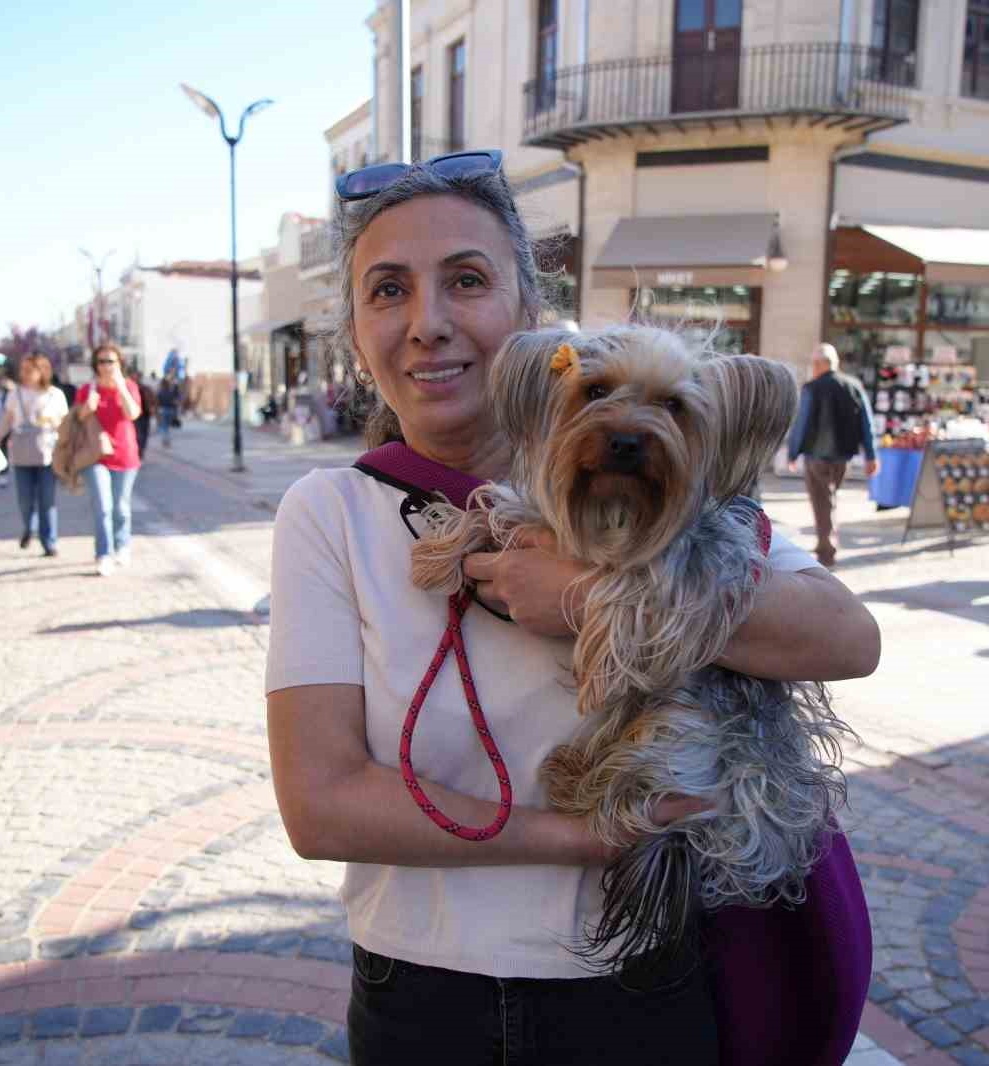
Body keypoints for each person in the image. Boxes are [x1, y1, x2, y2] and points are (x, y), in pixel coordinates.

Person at [264, 152, 881, 1065]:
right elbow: (321, 808)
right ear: (358, 334)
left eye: (465, 280)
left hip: (650, 984)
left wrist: (592, 595)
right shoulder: (332, 512)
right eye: (387, 291)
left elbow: (847, 637)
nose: (427, 323)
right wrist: (583, 837)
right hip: (420, 991)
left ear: (530, 319)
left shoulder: (663, 494)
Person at [786, 342, 879, 568]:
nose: (812, 367)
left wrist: (792, 452)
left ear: (820, 364)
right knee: (829, 499)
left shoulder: (811, 388)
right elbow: (867, 422)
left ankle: (826, 550)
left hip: (817, 456)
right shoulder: (852, 386)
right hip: (842, 457)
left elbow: (802, 421)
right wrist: (871, 455)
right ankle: (825, 544)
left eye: (813, 363)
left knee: (822, 502)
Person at [75, 344, 142, 576]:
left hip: (125, 455)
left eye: (110, 361)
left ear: (119, 364)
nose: (106, 366)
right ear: (95, 365)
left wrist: (121, 386)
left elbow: (132, 414)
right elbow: (77, 420)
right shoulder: (87, 389)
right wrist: (87, 407)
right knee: (103, 506)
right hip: (95, 456)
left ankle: (123, 545)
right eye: (101, 361)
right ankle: (104, 553)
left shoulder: (130, 386)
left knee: (121, 507)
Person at [0, 353, 68, 557]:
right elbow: (7, 418)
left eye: (29, 369)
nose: (24, 374)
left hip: (47, 453)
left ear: (41, 371)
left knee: (47, 499)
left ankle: (49, 541)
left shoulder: (55, 395)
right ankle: (29, 526)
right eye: (22, 370)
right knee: (25, 499)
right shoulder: (15, 394)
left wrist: (60, 434)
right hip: (22, 452)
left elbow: (64, 423)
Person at [133, 367, 157, 461]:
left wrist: (153, 409)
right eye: (135, 376)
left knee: (144, 434)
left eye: (138, 376)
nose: (137, 377)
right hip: (135, 416)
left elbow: (153, 400)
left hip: (145, 415)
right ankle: (138, 452)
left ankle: (141, 452)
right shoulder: (130, 388)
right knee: (138, 435)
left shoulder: (146, 388)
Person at [157, 371, 183, 450]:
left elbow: (157, 401)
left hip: (164, 409)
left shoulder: (161, 391)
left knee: (164, 426)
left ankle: (165, 439)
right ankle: (166, 439)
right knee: (167, 426)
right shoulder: (172, 390)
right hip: (171, 410)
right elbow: (178, 398)